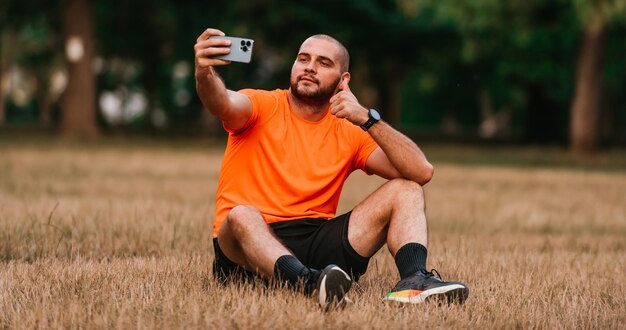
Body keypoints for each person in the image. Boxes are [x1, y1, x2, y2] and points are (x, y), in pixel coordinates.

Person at [194, 28, 469, 309]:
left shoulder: (350, 127)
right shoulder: (261, 105)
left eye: (324, 63)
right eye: (303, 59)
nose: (310, 67)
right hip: (246, 249)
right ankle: (310, 283)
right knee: (241, 215)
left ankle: (414, 282)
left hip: (315, 240)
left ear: (343, 79)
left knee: (406, 189)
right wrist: (205, 74)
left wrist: (367, 118)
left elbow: (421, 172)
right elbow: (221, 102)